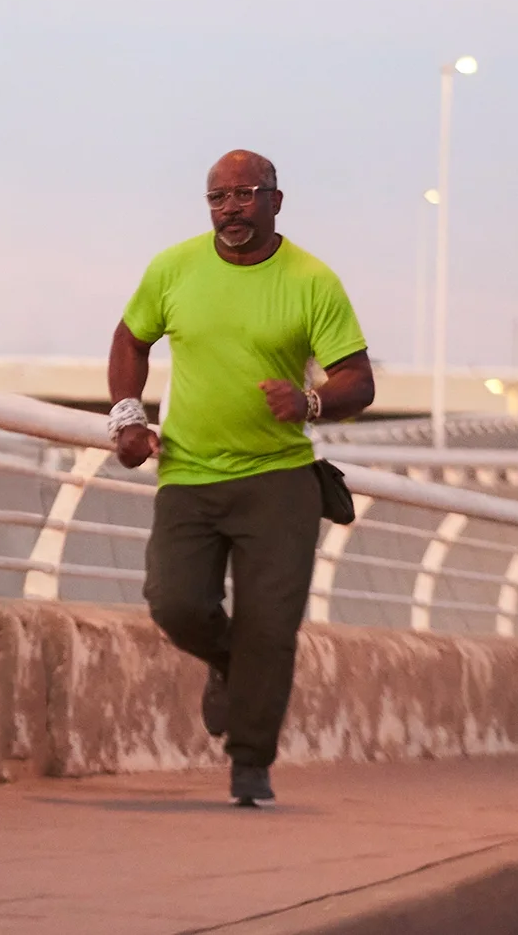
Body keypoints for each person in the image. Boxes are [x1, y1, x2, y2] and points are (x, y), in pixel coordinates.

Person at [107, 149, 375, 805]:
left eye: (246, 195)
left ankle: (250, 761)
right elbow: (130, 339)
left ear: (276, 201)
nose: (231, 209)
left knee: (270, 625)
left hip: (279, 480)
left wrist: (310, 401)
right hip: (188, 471)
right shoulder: (174, 268)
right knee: (174, 602)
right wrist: (127, 418)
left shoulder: (313, 281)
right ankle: (231, 664)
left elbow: (358, 381)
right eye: (218, 198)